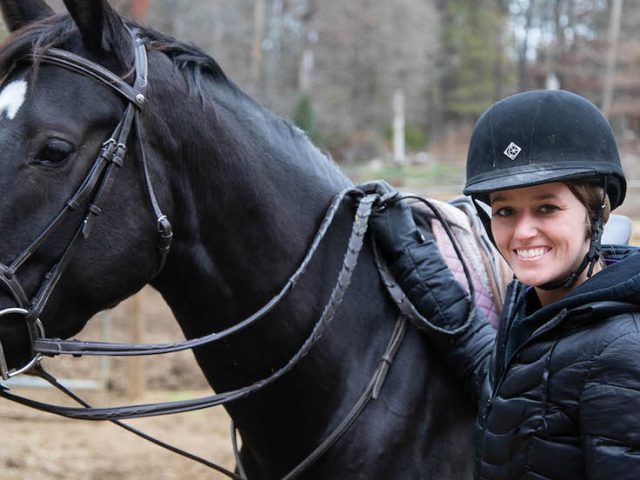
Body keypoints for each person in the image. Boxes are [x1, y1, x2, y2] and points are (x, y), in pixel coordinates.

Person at [370, 89, 640, 479]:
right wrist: (408, 248)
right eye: (505, 211)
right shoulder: (534, 308)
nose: (523, 232)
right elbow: (495, 378)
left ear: (598, 211)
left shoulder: (622, 356)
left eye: (546, 207)